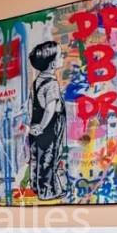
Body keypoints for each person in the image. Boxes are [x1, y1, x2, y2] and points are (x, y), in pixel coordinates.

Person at [27, 41, 68, 201]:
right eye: (60, 55)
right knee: (49, 158)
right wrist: (43, 127)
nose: (63, 56)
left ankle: (36, 186)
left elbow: (35, 103)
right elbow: (50, 109)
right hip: (49, 127)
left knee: (37, 157)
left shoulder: (38, 80)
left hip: (36, 125)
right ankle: (47, 191)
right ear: (52, 64)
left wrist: (36, 126)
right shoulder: (52, 84)